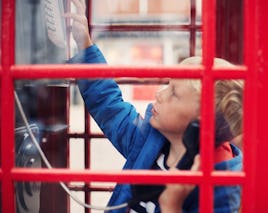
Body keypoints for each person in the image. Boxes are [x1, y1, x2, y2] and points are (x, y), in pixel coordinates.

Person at [65, 0, 243, 212]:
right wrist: (85, 45)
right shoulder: (148, 140)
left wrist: (172, 206)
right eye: (167, 85)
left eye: (174, 94)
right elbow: (109, 105)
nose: (159, 94)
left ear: (200, 123)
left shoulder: (222, 190)